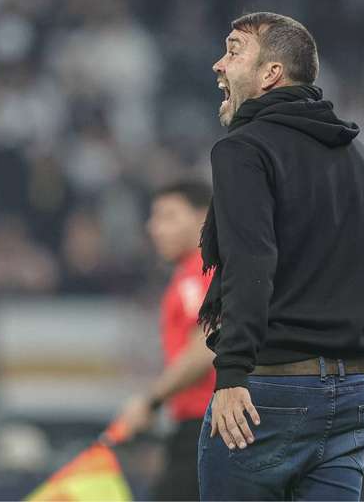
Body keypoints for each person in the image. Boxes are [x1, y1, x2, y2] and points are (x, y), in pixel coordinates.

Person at [196, 12, 364, 500]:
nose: (218, 64)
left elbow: (250, 264)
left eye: (233, 50)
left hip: (267, 392)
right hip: (355, 395)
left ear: (271, 73)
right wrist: (346, 371)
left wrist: (232, 373)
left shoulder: (244, 150)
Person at [114, 180, 216, 500]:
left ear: (204, 218)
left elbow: (207, 344)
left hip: (207, 426)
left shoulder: (201, 272)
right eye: (154, 217)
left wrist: (150, 401)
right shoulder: (195, 273)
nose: (154, 227)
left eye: (168, 216)